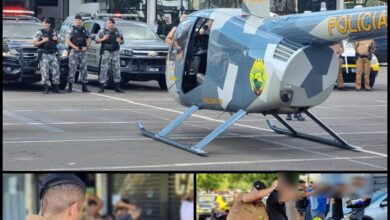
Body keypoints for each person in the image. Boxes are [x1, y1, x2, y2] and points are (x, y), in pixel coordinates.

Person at [33, 18, 63, 94]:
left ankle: (56, 88)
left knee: (56, 71)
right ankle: (45, 88)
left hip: (53, 54)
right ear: (43, 23)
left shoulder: (53, 31)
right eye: (45, 23)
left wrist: (57, 39)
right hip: (44, 54)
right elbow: (34, 43)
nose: (47, 24)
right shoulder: (39, 32)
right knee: (45, 72)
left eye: (48, 23)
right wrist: (43, 40)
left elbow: (59, 41)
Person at [95, 18, 125, 93]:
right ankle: (102, 86)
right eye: (109, 23)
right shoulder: (103, 31)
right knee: (104, 69)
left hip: (115, 52)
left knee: (117, 69)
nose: (111, 24)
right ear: (107, 23)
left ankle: (117, 86)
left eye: (112, 23)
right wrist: (103, 38)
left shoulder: (118, 31)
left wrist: (120, 41)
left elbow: (122, 40)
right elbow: (96, 40)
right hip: (106, 52)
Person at [65, 14, 91, 93]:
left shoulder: (85, 30)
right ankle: (70, 87)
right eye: (77, 20)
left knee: (84, 69)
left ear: (81, 21)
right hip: (74, 51)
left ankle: (84, 86)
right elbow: (68, 40)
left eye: (79, 20)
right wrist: (74, 47)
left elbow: (89, 38)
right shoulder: (71, 30)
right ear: (75, 21)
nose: (78, 21)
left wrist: (87, 47)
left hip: (83, 51)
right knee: (72, 69)